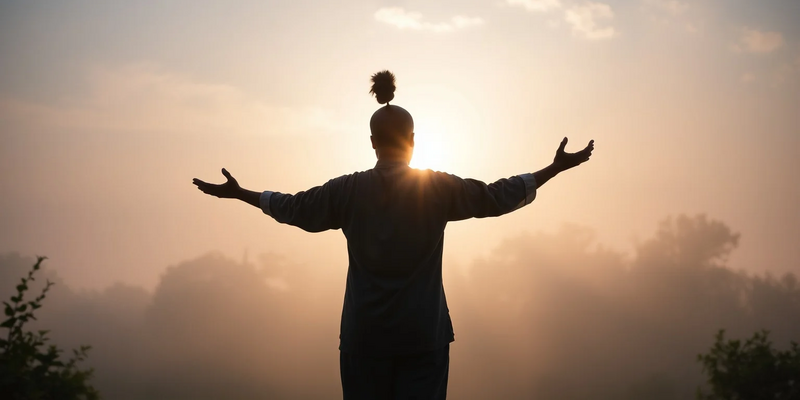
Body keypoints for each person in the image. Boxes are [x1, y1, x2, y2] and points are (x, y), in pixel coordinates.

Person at [192, 70, 594, 400]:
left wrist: (241, 193)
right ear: (414, 141)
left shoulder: (345, 191)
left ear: (372, 143)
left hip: (363, 340)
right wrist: (553, 168)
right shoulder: (436, 189)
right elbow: (494, 196)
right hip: (424, 338)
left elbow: (294, 208)